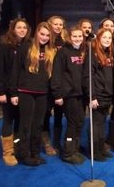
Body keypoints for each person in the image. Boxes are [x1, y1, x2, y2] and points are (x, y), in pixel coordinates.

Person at [10, 22, 57, 166]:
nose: (44, 37)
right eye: (42, 34)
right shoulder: (26, 47)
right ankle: (24, 154)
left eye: (47, 35)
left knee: (38, 124)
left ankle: (35, 152)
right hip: (25, 92)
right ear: (36, 33)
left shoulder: (51, 50)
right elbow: (15, 70)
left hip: (42, 93)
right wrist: (13, 93)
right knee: (26, 124)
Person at [0, 18, 31, 166]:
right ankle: (7, 152)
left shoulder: (28, 46)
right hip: (8, 91)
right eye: (19, 27)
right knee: (9, 120)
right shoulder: (5, 47)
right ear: (13, 29)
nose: (22, 30)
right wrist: (1, 91)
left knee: (20, 121)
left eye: (24, 28)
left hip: (23, 90)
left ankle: (17, 146)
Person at [51, 26, 86, 165]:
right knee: (72, 123)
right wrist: (57, 94)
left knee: (80, 121)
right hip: (69, 94)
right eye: (75, 36)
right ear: (69, 37)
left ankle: (75, 148)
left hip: (80, 94)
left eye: (80, 36)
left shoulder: (83, 51)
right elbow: (57, 74)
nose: (77, 39)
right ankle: (67, 152)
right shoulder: (63, 53)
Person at [83, 28, 114, 161]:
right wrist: (92, 96)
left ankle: (101, 148)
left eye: (109, 38)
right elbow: (87, 76)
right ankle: (93, 151)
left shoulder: (109, 54)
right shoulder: (93, 53)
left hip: (107, 95)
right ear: (99, 38)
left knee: (102, 124)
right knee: (95, 125)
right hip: (97, 95)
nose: (107, 40)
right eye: (104, 37)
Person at [42, 15, 69, 156]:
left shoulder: (65, 42)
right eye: (55, 24)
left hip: (60, 84)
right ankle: (46, 143)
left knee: (59, 114)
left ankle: (57, 142)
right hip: (46, 84)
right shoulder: (45, 40)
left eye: (60, 24)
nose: (58, 27)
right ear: (49, 25)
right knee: (45, 114)